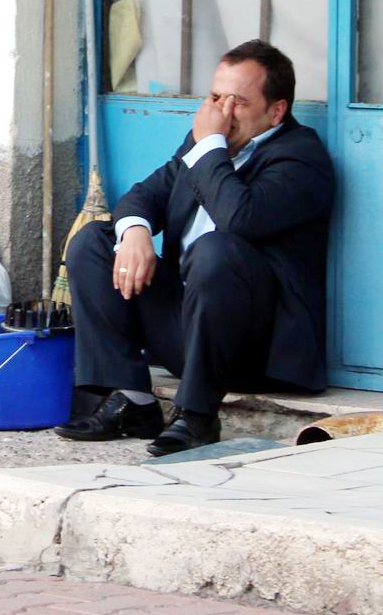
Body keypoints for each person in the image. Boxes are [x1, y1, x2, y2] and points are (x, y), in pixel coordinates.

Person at [57, 40, 336, 456]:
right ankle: (131, 400)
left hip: (254, 350)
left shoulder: (299, 158)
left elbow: (239, 220)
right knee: (95, 242)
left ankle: (199, 416)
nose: (222, 113)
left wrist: (209, 147)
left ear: (275, 111)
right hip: (190, 328)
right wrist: (134, 232)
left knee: (216, 248)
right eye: (215, 97)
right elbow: (142, 196)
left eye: (239, 102)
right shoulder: (203, 144)